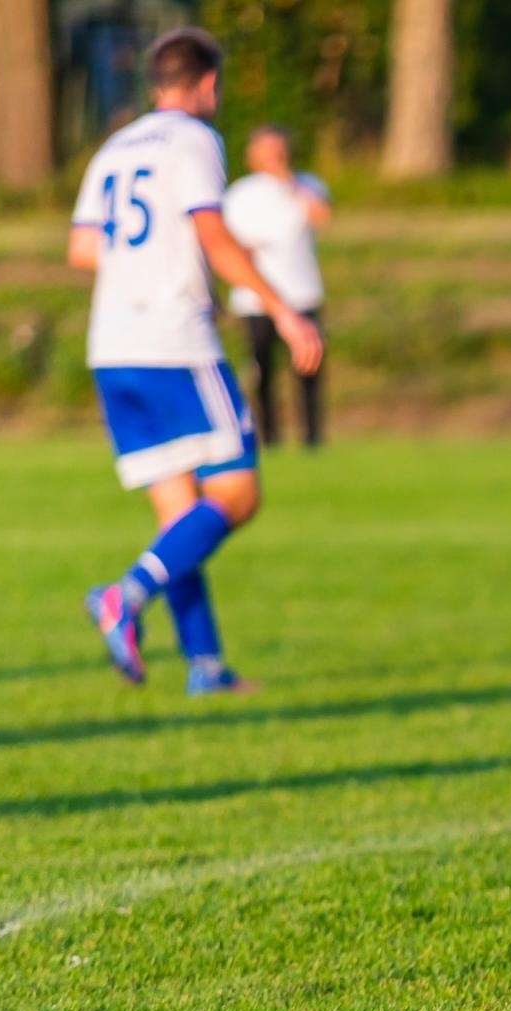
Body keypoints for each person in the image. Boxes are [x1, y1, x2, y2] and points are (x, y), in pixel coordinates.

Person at [67, 27, 322, 694]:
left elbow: (83, 249)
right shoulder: (196, 141)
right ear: (208, 83)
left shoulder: (115, 147)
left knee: (179, 517)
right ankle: (125, 594)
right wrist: (284, 308)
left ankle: (205, 667)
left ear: (157, 82)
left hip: (112, 347)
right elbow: (212, 232)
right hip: (174, 341)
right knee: (236, 495)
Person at [223, 125, 332, 448]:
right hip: (256, 299)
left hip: (302, 293)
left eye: (280, 149)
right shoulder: (240, 194)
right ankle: (269, 436)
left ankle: (312, 438)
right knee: (263, 370)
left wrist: (291, 183)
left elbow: (321, 216)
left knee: (309, 367)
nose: (276, 156)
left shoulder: (307, 185)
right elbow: (229, 244)